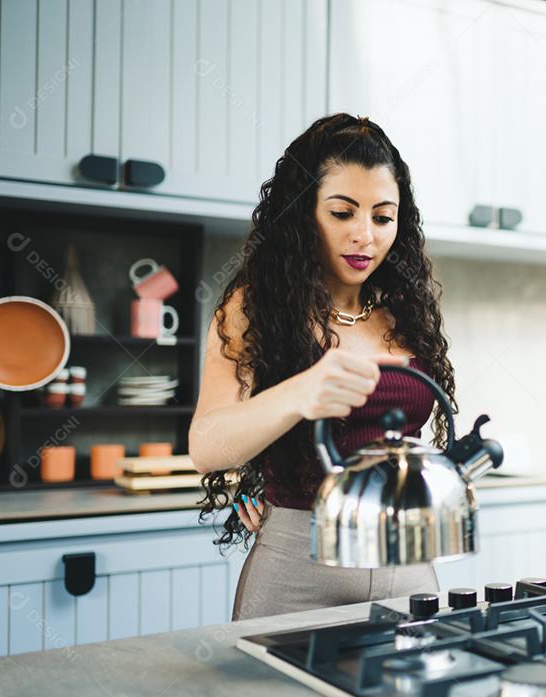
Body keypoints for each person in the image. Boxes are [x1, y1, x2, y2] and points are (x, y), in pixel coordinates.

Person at [191, 113, 457, 621]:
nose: (365, 236)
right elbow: (207, 447)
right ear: (302, 212)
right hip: (297, 572)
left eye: (382, 217)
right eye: (342, 213)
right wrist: (300, 393)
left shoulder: (407, 311)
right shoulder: (254, 308)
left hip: (408, 565)